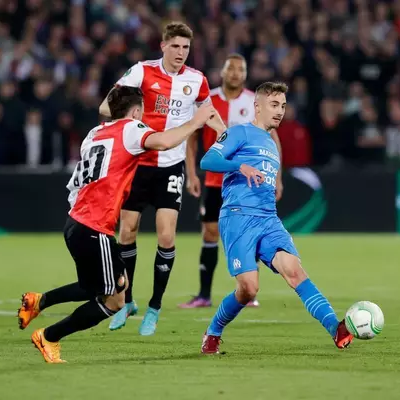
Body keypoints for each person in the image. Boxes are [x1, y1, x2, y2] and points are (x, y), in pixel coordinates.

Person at [17, 86, 216, 363]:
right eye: (141, 112)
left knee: (98, 285)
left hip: (77, 223)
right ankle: (49, 336)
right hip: (94, 227)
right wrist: (196, 121)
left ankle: (39, 301)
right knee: (114, 300)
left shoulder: (95, 133)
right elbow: (163, 142)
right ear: (135, 112)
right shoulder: (131, 128)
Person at [198, 82, 353, 354]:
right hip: (238, 216)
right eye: (274, 105)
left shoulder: (271, 143)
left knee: (294, 271)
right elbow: (208, 161)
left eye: (282, 105)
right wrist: (240, 166)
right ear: (257, 106)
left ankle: (335, 328)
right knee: (248, 289)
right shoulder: (239, 132)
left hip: (268, 219)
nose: (280, 111)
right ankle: (213, 331)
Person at [98, 22, 227, 335]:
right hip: (136, 164)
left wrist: (228, 136)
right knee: (127, 231)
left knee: (166, 237)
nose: (181, 53)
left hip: (171, 166)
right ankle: (128, 301)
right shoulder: (141, 72)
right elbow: (106, 106)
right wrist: (125, 122)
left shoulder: (196, 80)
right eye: (175, 46)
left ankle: (154, 307)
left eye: (186, 47)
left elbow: (209, 113)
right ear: (163, 46)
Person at [179, 54, 283, 309]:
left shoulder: (254, 102)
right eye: (231, 68)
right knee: (210, 232)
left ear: (245, 74)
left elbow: (272, 139)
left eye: (240, 69)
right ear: (223, 72)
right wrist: (191, 174)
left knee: (251, 230)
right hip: (215, 180)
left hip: (248, 181)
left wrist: (277, 178)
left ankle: (249, 292)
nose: (236, 73)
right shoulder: (208, 101)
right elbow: (192, 139)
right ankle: (204, 295)